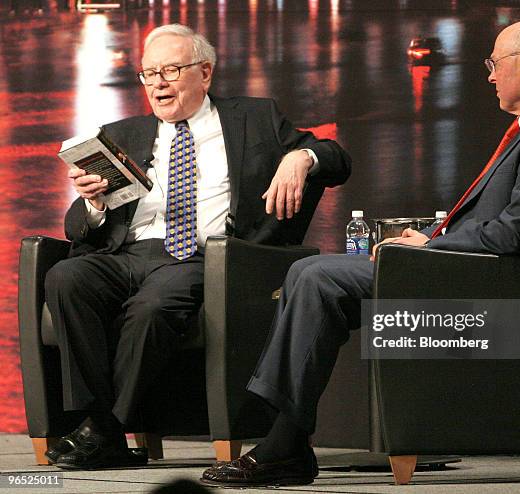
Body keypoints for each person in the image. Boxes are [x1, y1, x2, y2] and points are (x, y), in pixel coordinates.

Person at [200, 18, 520, 487]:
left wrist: (431, 245)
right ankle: (285, 437)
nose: (489, 75)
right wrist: (428, 237)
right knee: (310, 271)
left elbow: (517, 234)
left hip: (494, 287)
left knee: (316, 276)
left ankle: (283, 440)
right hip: (471, 271)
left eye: (494, 63)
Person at [44, 23, 351, 470]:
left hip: (200, 255)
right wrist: (94, 203)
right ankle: (96, 420)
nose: (158, 83)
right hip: (126, 254)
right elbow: (78, 229)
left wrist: (301, 157)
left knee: (154, 307)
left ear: (204, 72)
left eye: (170, 70)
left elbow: (338, 159)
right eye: (149, 74)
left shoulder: (255, 118)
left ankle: (106, 429)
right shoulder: (122, 133)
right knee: (66, 276)